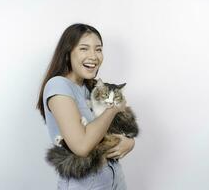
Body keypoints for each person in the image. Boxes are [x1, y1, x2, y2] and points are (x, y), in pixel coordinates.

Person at [36, 23, 135, 190]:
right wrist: (113, 108)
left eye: (98, 49)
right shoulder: (58, 85)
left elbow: (119, 127)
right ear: (68, 53)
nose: (94, 56)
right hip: (86, 183)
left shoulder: (93, 88)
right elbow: (81, 146)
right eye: (84, 48)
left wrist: (129, 142)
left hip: (114, 177)